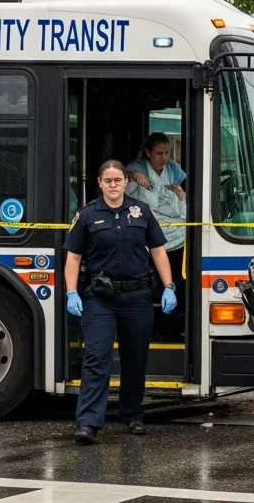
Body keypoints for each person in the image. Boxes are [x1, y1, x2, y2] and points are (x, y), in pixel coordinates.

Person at [64, 159, 178, 445]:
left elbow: (158, 252)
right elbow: (73, 258)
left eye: (118, 180)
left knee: (135, 358)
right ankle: (88, 423)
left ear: (125, 182)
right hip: (99, 298)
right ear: (99, 183)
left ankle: (132, 414)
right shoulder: (87, 215)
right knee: (97, 358)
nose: (113, 185)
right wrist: (71, 292)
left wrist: (169, 287)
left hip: (137, 297)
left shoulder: (142, 212)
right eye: (108, 180)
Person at [126, 133, 187, 337]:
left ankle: (171, 326)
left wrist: (179, 193)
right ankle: (152, 327)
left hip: (177, 235)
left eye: (167, 153)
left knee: (174, 281)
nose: (164, 158)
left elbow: (186, 189)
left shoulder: (172, 170)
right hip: (147, 237)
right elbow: (126, 176)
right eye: (159, 153)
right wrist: (136, 175)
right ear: (148, 153)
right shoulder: (138, 167)